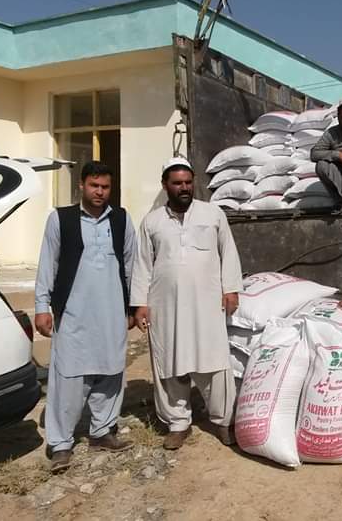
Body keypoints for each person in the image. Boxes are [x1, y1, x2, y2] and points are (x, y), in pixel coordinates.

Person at [131, 158, 243, 451]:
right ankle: (178, 423)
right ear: (165, 186)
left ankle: (223, 420)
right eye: (177, 183)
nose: (184, 188)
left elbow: (228, 252)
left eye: (188, 182)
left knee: (214, 361)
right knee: (170, 362)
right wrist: (139, 304)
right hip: (164, 305)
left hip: (206, 302)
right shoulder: (152, 221)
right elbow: (142, 264)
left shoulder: (213, 213)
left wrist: (231, 288)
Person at [35, 162, 136, 474]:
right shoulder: (60, 219)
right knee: (68, 378)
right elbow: (47, 264)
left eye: (105, 187)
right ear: (81, 185)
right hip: (74, 313)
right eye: (94, 186)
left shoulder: (120, 219)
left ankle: (102, 431)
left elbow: (132, 264)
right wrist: (41, 306)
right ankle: (61, 444)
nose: (100, 193)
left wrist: (134, 306)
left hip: (111, 312)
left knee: (111, 371)